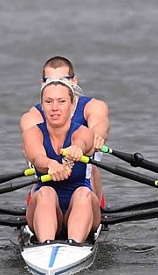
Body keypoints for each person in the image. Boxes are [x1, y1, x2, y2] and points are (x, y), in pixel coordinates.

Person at [19, 56, 110, 206]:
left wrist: (97, 137)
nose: (57, 84)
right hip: (47, 180)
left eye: (62, 80)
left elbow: (100, 123)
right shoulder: (33, 116)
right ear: (42, 84)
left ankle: (92, 205)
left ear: (74, 81)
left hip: (83, 181)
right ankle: (41, 203)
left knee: (90, 165)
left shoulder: (93, 106)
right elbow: (32, 151)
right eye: (50, 81)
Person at [23, 77, 101, 243]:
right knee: (46, 192)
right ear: (42, 105)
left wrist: (77, 149)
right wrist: (50, 164)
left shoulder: (83, 132)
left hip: (82, 205)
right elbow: (37, 157)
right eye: (49, 102)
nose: (55, 108)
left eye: (61, 101)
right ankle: (46, 245)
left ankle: (74, 244)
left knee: (83, 193)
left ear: (72, 105)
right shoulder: (32, 133)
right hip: (45, 204)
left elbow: (83, 142)